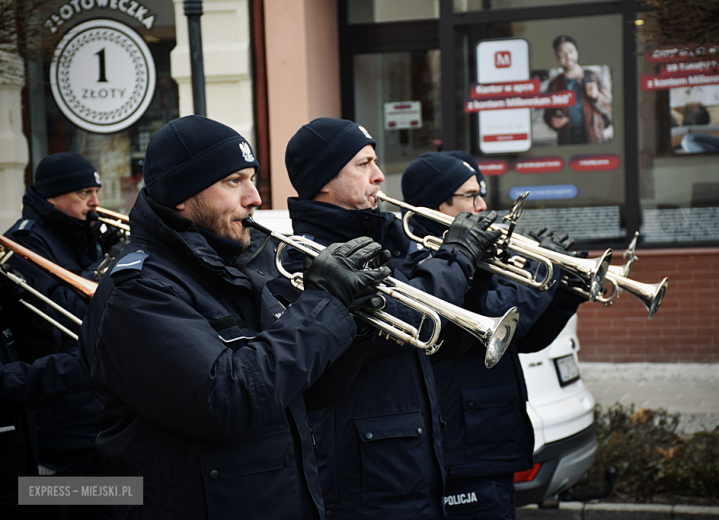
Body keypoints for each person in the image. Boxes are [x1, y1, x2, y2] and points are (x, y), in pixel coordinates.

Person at [78, 115, 391, 520]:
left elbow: (305, 392)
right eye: (234, 181)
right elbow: (227, 399)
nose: (255, 197)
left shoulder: (234, 272)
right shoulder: (138, 290)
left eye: (252, 179)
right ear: (181, 194)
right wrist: (323, 304)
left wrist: (353, 321)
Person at [282, 117, 502, 519]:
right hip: (365, 475)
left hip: (410, 463)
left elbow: (441, 341)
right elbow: (412, 313)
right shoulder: (309, 256)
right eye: (364, 165)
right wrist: (459, 256)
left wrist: (479, 269)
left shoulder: (384, 236)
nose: (380, 176)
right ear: (324, 181)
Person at [400, 151, 587, 520]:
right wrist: (541, 279)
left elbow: (523, 337)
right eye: (471, 195)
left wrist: (566, 293)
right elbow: (489, 318)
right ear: (437, 203)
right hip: (464, 447)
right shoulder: (422, 261)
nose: (483, 205)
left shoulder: (484, 255)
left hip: (493, 439)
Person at [2, 152, 109, 500]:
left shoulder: (81, 231)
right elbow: (58, 325)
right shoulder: (25, 243)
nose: (95, 203)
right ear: (51, 197)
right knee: (69, 503)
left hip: (95, 413)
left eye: (96, 191)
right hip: (60, 420)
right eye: (83, 194)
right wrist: (105, 269)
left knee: (115, 500)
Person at [543, 35, 613, 145]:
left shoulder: (594, 76)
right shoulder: (555, 84)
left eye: (571, 51)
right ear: (556, 58)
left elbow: (609, 106)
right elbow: (547, 115)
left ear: (577, 53)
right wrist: (554, 122)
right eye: (562, 53)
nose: (568, 56)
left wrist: (597, 97)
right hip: (567, 142)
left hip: (594, 139)